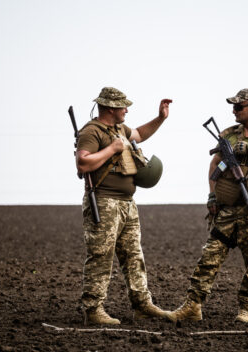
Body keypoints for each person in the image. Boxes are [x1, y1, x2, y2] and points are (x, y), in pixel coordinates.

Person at [169, 88, 248, 323]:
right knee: (209, 257)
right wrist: (212, 197)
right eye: (233, 106)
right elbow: (215, 164)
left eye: (238, 106)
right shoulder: (229, 134)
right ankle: (193, 305)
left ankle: (247, 308)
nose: (234, 110)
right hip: (227, 209)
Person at [75, 86, 174, 325]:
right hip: (104, 202)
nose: (126, 110)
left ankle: (142, 305)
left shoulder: (119, 128)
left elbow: (139, 133)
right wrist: (112, 149)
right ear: (110, 108)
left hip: (127, 204)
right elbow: (82, 163)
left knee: (133, 255)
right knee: (101, 256)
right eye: (123, 106)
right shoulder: (91, 131)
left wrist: (160, 118)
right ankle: (93, 309)